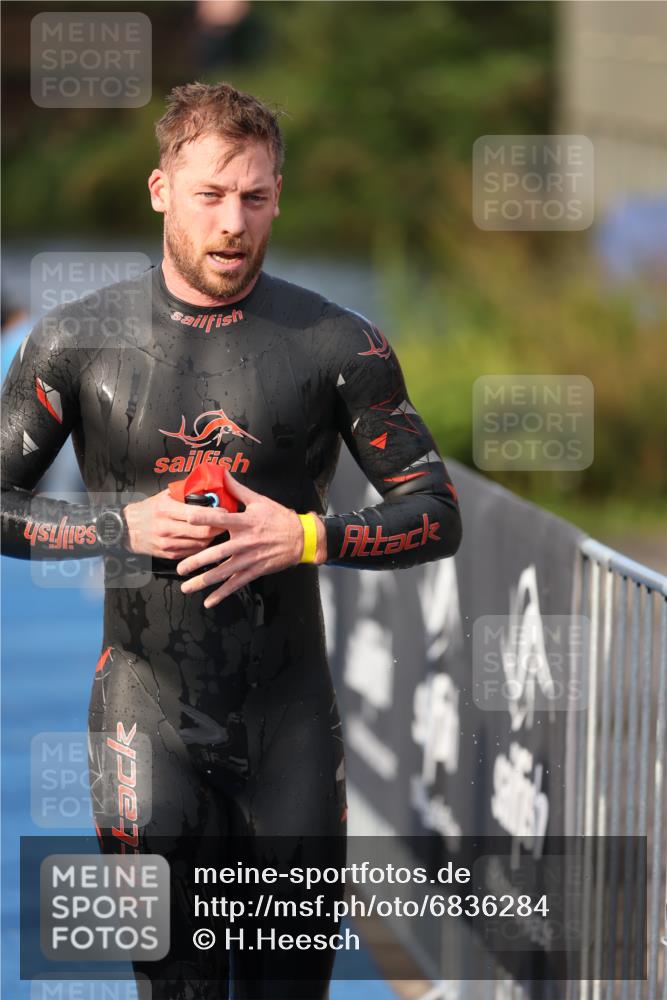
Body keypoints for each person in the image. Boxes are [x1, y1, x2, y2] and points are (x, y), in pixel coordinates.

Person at [1, 82, 462, 999]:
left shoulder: (338, 342)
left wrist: (303, 536)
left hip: (289, 722)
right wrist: (118, 523)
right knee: (173, 985)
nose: (232, 222)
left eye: (254, 197)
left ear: (279, 196)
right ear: (160, 189)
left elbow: (435, 510)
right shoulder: (76, 341)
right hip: (144, 719)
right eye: (211, 194)